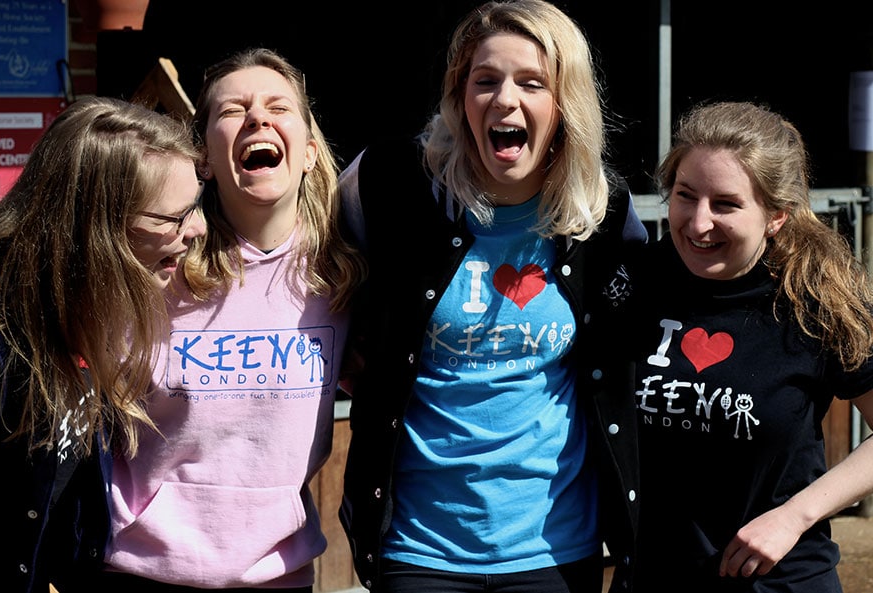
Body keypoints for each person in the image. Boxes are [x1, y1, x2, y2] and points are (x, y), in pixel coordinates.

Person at [336, 1, 648, 592]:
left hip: (555, 548)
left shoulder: (603, 213)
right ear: (459, 97)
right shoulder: (389, 182)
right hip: (419, 549)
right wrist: (348, 358)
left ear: (565, 104)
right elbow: (315, 265)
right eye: (485, 81)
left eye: (532, 83)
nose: (505, 100)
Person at [0, 95, 206, 593]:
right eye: (174, 217)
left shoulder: (82, 315)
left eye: (196, 206)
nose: (197, 229)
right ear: (94, 225)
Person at [97, 47, 366, 591]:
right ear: (204, 158)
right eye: (232, 110)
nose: (257, 118)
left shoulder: (343, 275)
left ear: (310, 152)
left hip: (278, 573)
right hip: (142, 570)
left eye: (278, 107)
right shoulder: (159, 269)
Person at [598, 101, 873, 592]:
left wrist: (794, 516)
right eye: (685, 196)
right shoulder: (634, 283)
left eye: (725, 204)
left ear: (776, 216)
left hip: (777, 581)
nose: (698, 223)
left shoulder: (815, 300)